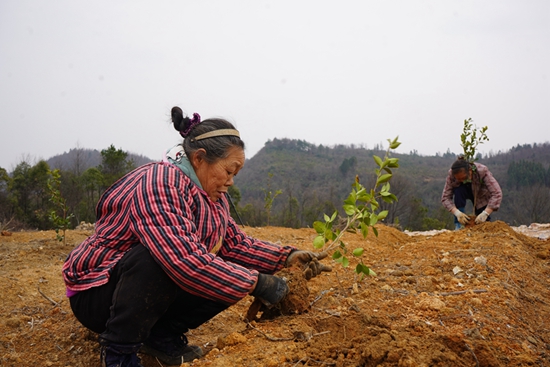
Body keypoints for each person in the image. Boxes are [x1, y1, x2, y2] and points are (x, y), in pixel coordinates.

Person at [62, 106, 331, 367]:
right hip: (97, 294)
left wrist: (287, 257)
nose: (231, 181)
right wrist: (258, 283)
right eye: (228, 171)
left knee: (229, 271)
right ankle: (119, 351)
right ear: (199, 158)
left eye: (235, 174)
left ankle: (160, 336)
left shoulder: (212, 197)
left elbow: (234, 245)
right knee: (158, 259)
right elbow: (182, 260)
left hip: (140, 291)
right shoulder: (160, 182)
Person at [441, 156, 503, 230]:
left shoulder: (482, 171)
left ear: (470, 171)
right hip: (462, 193)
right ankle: (459, 225)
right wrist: (457, 213)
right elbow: (445, 197)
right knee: (458, 191)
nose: (462, 181)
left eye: (463, 178)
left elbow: (497, 193)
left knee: (483, 222)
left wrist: (485, 213)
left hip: (480, 195)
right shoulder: (452, 175)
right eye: (459, 179)